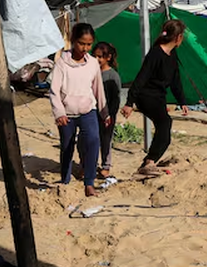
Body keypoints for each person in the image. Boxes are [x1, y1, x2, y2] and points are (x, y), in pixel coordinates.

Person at [121, 19, 189, 175]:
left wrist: (182, 101)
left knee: (164, 127)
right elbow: (141, 78)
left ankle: (149, 162)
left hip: (158, 97)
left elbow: (175, 80)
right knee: (165, 122)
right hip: (146, 96)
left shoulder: (172, 55)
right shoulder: (156, 53)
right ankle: (149, 161)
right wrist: (129, 102)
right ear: (178, 37)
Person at [49, 23, 109, 196]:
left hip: (87, 110)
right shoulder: (61, 64)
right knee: (67, 146)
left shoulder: (92, 64)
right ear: (74, 41)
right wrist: (59, 112)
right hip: (66, 113)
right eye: (82, 43)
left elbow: (98, 89)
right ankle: (65, 180)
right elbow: (54, 91)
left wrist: (104, 113)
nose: (85, 48)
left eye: (89, 44)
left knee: (93, 141)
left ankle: (89, 183)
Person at [93, 41, 122, 178]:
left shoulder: (112, 76)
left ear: (108, 58)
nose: (97, 59)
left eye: (100, 57)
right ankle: (88, 164)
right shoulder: (92, 73)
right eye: (95, 56)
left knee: (106, 140)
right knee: (90, 140)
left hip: (107, 114)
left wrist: (109, 115)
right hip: (92, 112)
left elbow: (115, 99)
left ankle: (105, 166)